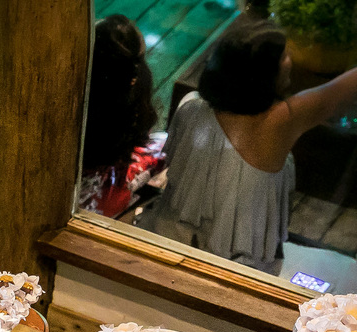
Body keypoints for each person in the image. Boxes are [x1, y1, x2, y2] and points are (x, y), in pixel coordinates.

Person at [138, 18, 357, 273]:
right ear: (262, 75)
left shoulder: (190, 104)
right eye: (285, 56)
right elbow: (342, 91)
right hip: (233, 270)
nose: (291, 60)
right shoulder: (277, 125)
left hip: (168, 243)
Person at [79, 15, 165, 218]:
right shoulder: (134, 96)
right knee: (164, 144)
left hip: (81, 179)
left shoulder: (75, 90)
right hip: (103, 192)